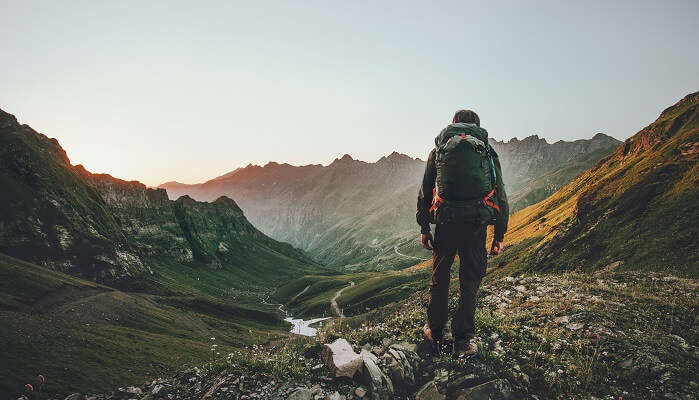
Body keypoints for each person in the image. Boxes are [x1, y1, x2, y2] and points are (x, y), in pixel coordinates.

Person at [416, 109, 509, 357]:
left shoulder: (439, 151)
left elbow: (425, 192)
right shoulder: (487, 152)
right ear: (477, 126)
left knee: (440, 276)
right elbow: (500, 194)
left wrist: (424, 228)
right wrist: (499, 235)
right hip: (476, 225)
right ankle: (464, 340)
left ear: (454, 124)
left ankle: (436, 331)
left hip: (446, 222)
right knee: (470, 280)